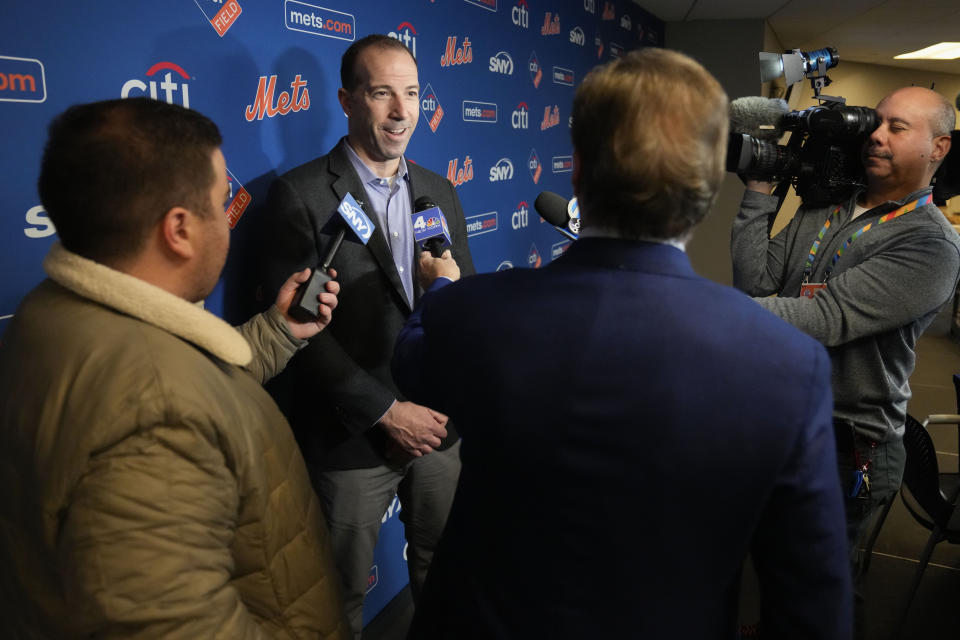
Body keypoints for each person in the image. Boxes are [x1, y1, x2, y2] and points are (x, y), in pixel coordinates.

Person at [391, 48, 852, 639]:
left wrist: (440, 293)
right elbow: (813, 610)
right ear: (711, 184)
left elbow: (413, 363)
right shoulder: (789, 366)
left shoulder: (475, 313)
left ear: (578, 168)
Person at [0, 97, 348, 638]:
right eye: (222, 199)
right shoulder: (155, 419)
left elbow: (187, 375)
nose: (229, 220)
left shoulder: (51, 310)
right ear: (179, 230)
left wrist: (278, 330)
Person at [260, 34, 475, 636]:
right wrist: (385, 411)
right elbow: (296, 332)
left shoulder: (440, 190)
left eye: (410, 94)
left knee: (444, 574)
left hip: (439, 426)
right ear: (348, 100)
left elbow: (464, 303)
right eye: (382, 93)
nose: (402, 112)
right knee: (337, 598)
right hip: (350, 436)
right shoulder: (299, 194)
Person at [731, 86, 960, 636]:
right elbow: (756, 282)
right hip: (780, 420)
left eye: (898, 128)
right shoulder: (829, 203)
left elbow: (825, 319)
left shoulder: (930, 244)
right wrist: (761, 186)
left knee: (824, 588)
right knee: (773, 568)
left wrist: (704, 313)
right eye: (875, 122)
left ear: (939, 148)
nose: (876, 136)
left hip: (846, 442)